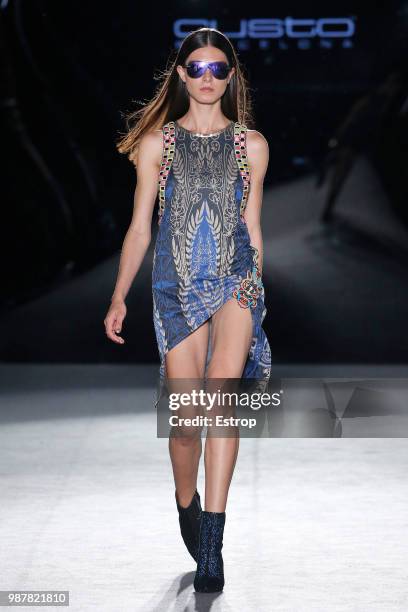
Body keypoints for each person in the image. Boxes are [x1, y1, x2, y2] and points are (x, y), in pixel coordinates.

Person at [104, 27, 271, 593]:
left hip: (234, 283)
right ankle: (186, 502)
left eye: (217, 69)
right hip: (176, 288)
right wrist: (119, 294)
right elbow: (139, 227)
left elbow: (251, 225)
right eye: (196, 68)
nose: (206, 78)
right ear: (180, 75)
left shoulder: (252, 145)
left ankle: (212, 544)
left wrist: (256, 283)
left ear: (231, 76)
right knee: (185, 424)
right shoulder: (159, 144)